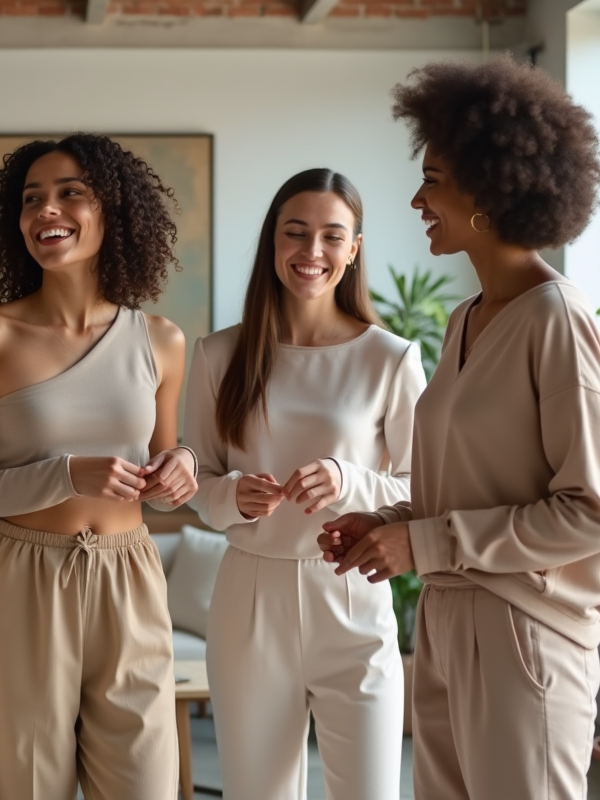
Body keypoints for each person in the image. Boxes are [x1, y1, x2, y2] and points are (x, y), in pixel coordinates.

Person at [319, 56, 600, 799]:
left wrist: (422, 542)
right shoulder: (465, 320)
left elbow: (592, 514)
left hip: (524, 632)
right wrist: (389, 523)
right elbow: (470, 483)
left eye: (435, 179)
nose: (418, 198)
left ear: (490, 189)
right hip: (449, 619)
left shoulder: (557, 320)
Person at [0, 133, 197, 800]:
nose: (45, 210)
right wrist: (65, 473)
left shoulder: (161, 341)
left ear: (113, 209)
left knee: (146, 786)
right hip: (21, 581)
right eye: (31, 199)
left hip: (130, 577)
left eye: (69, 193)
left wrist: (183, 466)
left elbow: (164, 486)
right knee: (22, 786)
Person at [184, 168, 424, 800]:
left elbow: (425, 486)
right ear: (272, 243)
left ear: (354, 248)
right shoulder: (217, 355)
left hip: (353, 594)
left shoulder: (391, 358)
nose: (311, 252)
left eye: (330, 236)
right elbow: (196, 482)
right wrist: (229, 495)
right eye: (295, 233)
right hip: (248, 597)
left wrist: (348, 480)